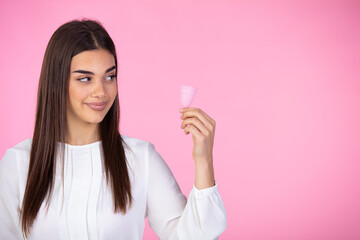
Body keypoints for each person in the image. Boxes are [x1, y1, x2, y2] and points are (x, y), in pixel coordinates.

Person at [0, 19, 227, 240]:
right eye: (85, 79)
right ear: (57, 82)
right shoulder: (18, 164)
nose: (102, 91)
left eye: (110, 76)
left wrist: (204, 159)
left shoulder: (141, 159)